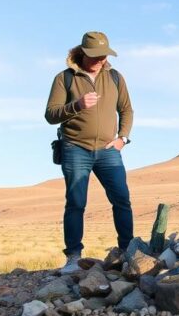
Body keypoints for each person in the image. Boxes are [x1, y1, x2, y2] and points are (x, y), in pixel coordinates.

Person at [45, 31, 134, 275]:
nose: (100, 60)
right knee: (76, 202)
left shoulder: (115, 77)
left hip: (108, 150)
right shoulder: (65, 78)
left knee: (122, 199)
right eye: (95, 55)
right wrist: (77, 105)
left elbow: (126, 110)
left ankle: (127, 251)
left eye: (104, 56)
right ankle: (73, 257)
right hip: (75, 148)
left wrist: (123, 138)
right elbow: (50, 115)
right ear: (83, 52)